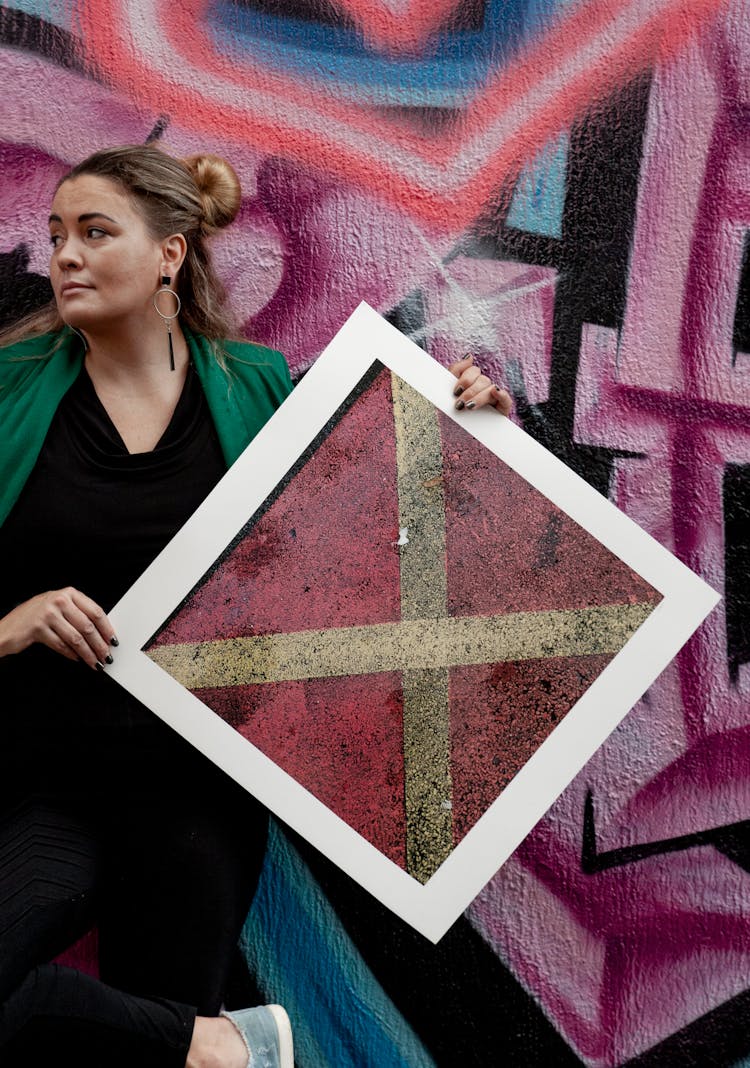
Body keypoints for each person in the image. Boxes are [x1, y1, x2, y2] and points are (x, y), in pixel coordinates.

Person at [0, 143, 511, 1067]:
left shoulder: (258, 387)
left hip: (198, 789)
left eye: (94, 232)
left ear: (171, 253)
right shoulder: (10, 387)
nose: (63, 256)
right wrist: (14, 622)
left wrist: (471, 430)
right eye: (55, 235)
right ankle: (222, 1050)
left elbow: (370, 547)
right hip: (45, 783)